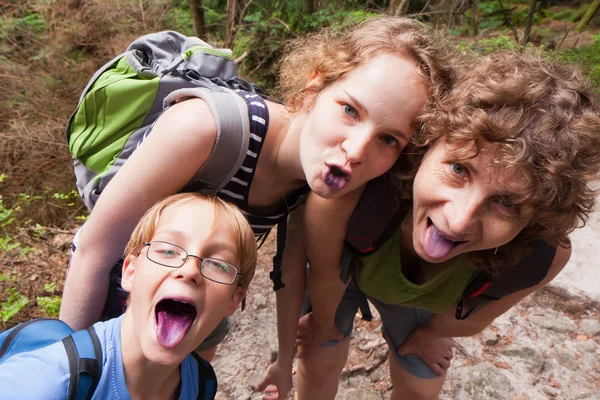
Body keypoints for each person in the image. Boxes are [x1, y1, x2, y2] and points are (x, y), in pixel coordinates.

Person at [59, 15, 459, 362]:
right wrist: (70, 372)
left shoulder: (324, 183)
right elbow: (93, 252)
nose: (356, 151)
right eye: (349, 110)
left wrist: (283, 365)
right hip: (118, 280)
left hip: (190, 304)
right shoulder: (206, 129)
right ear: (313, 89)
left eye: (389, 139)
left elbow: (289, 272)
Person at [258, 51, 600, 400]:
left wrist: (432, 333)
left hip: (422, 296)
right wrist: (324, 322)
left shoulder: (540, 255)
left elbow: (474, 319)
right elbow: (326, 274)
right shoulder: (358, 188)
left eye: (507, 203)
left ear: (536, 220)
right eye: (459, 169)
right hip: (345, 263)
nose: (458, 220)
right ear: (428, 143)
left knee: (421, 386)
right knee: (317, 354)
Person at [0, 193, 257, 399]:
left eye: (218, 264)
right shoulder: (45, 382)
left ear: (233, 300)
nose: (189, 270)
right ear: (130, 272)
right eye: (168, 251)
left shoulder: (201, 384)